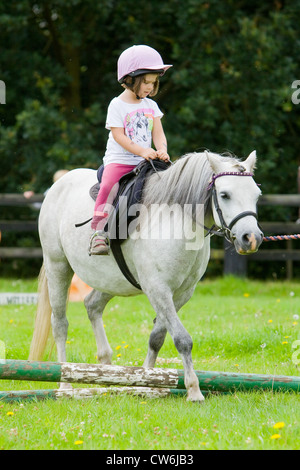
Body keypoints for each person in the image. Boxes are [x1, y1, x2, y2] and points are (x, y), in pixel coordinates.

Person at [89, 44, 172, 255]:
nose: (150, 88)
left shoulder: (151, 106)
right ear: (130, 79)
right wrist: (143, 151)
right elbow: (119, 136)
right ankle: (98, 233)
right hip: (120, 160)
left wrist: (161, 149)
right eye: (146, 82)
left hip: (145, 161)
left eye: (153, 83)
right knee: (109, 186)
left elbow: (158, 134)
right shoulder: (116, 105)